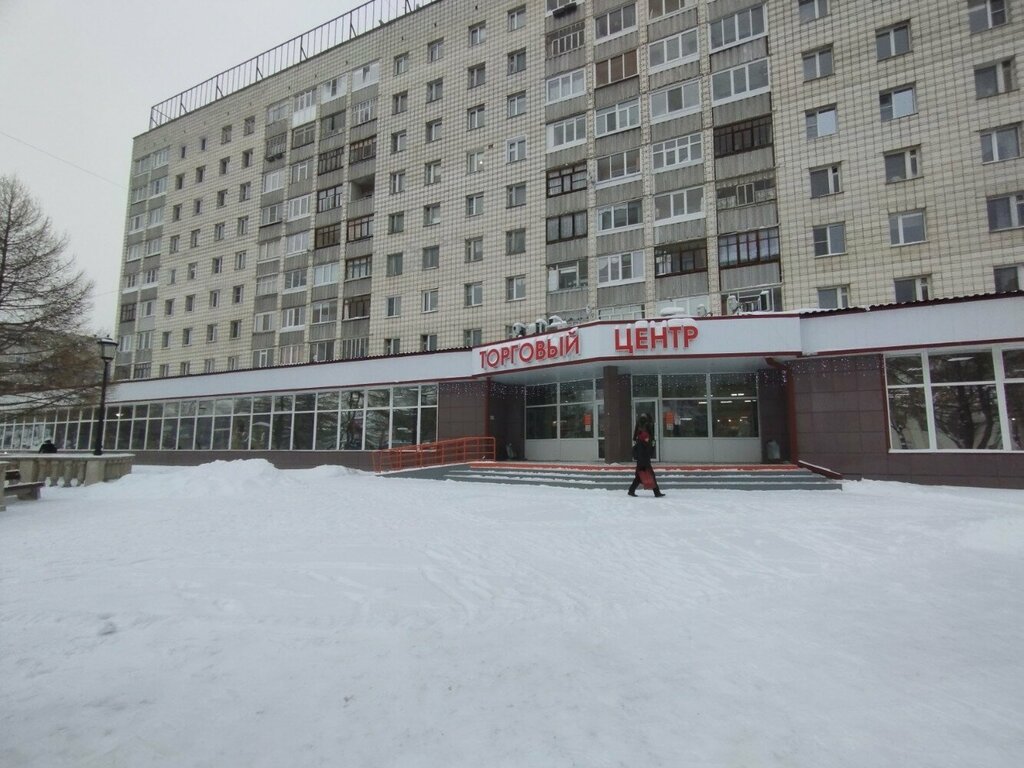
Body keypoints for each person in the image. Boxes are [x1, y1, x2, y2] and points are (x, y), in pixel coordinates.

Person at [628, 415, 664, 497]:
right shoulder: (642, 443)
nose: (648, 439)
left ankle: (631, 490)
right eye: (647, 438)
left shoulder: (641, 442)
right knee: (651, 475)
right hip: (644, 462)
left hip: (642, 462)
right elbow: (646, 452)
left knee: (639, 477)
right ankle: (657, 493)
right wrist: (652, 446)